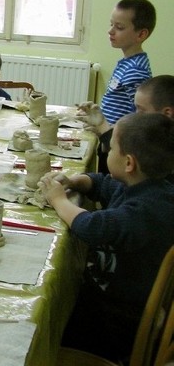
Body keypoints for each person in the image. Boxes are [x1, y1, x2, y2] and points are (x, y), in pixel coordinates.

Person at [38, 112, 174, 362]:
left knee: (43, 317)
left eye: (111, 149)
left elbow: (92, 226)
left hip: (119, 321)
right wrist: (74, 181)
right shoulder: (141, 185)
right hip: (115, 301)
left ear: (129, 163)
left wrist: (58, 199)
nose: (108, 153)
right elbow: (101, 183)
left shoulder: (146, 211)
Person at [77, 74, 174, 174]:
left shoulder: (160, 150)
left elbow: (120, 174)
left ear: (167, 113)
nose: (136, 115)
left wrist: (105, 130)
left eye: (141, 110)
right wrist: (103, 128)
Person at [100, 0, 156, 126]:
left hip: (120, 139)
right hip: (109, 133)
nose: (110, 31)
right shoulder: (127, 63)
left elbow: (140, 117)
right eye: (111, 24)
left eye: (119, 27)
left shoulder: (136, 70)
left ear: (141, 34)